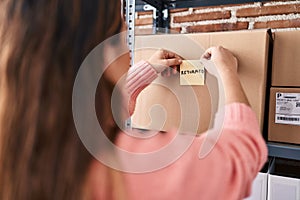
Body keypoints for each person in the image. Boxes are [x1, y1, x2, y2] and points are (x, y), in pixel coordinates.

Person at [0, 1, 267, 200]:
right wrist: (227, 71)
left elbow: (96, 108)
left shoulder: (15, 145)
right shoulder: (132, 164)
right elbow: (240, 156)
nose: (130, 50)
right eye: (121, 38)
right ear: (98, 54)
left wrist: (146, 71)